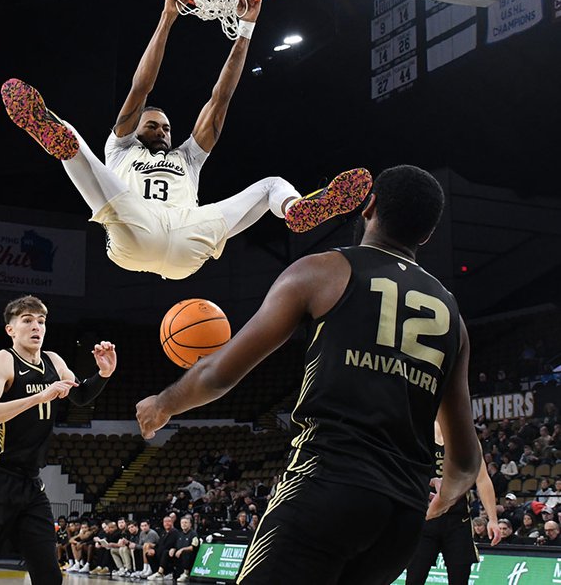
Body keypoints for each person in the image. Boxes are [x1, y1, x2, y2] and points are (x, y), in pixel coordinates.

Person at [136, 165, 480, 585]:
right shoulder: (453, 318)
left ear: (368, 206)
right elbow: (464, 461)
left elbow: (218, 374)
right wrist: (443, 498)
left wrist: (163, 403)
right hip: (401, 522)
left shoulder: (322, 270)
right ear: (425, 235)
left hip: (327, 487)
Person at [0, 0, 372, 282]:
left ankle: (296, 209)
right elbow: (140, 87)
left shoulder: (188, 157)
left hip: (186, 232)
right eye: (153, 125)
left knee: (272, 185)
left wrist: (246, 29)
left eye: (166, 127)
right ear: (134, 128)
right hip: (135, 221)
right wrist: (167, 17)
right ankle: (50, 130)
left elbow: (220, 97)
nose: (162, 131)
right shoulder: (121, 146)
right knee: (74, 142)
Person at [0, 294, 117, 585]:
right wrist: (38, 397)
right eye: (27, 321)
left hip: (31, 484)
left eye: (41, 321)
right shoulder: (3, 360)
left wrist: (104, 372)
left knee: (50, 575)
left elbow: (81, 395)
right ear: (10, 329)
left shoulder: (54, 361)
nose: (36, 327)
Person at [404, 423, 502, 585]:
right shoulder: (418, 432)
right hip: (425, 518)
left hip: (458, 520)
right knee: (414, 578)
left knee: (459, 579)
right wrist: (431, 481)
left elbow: (482, 479)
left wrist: (493, 519)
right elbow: (406, 473)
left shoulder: (466, 436)